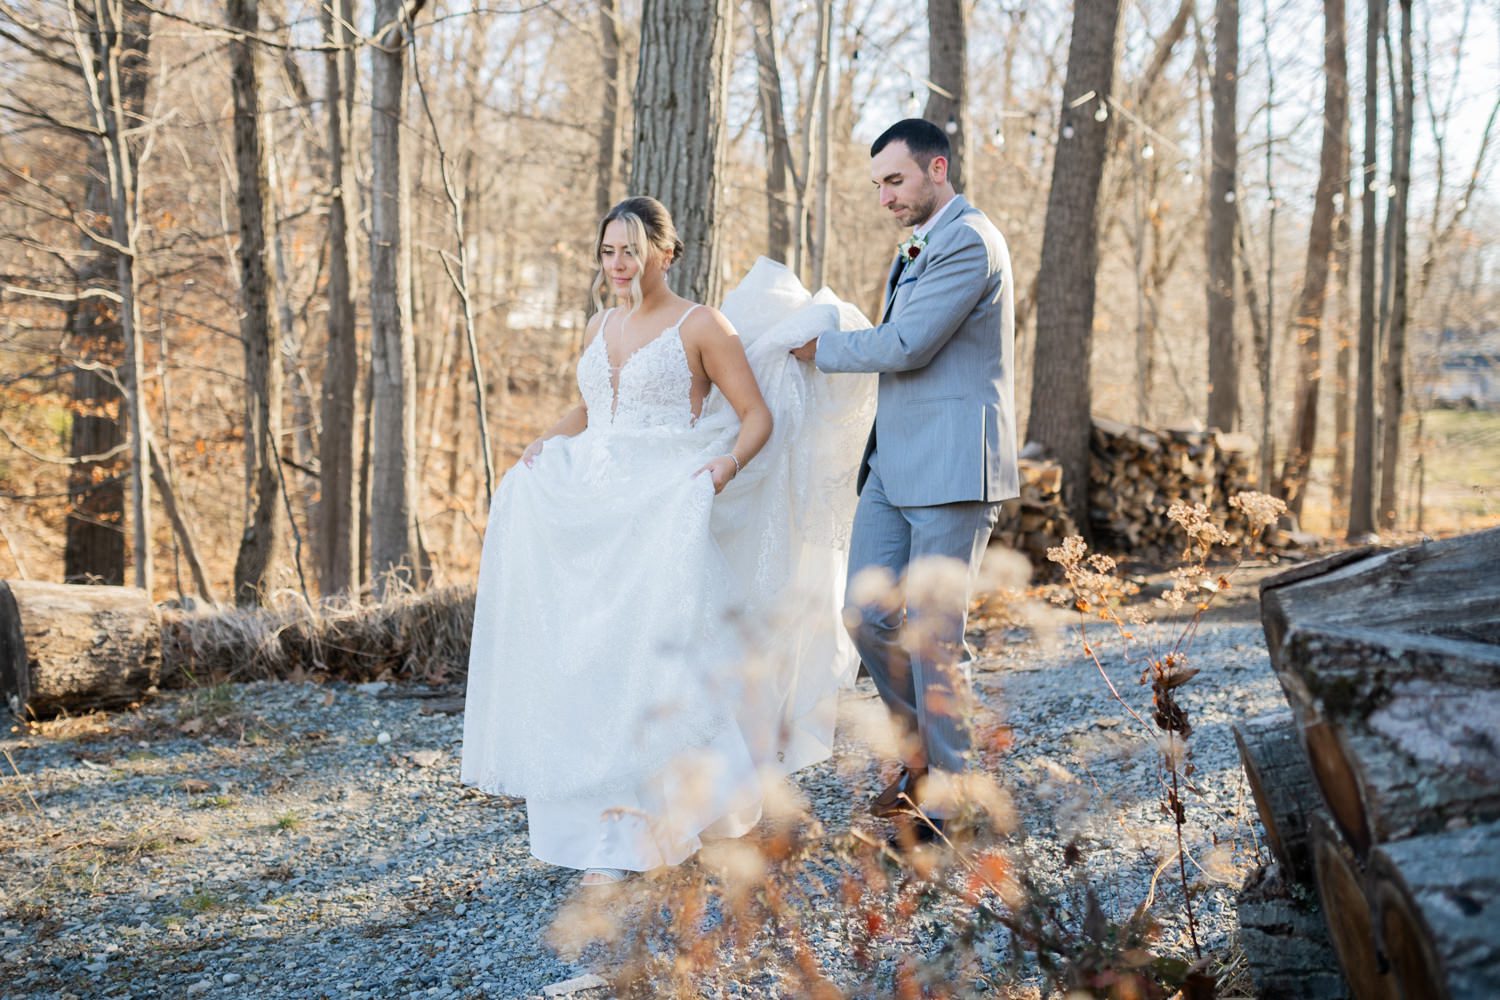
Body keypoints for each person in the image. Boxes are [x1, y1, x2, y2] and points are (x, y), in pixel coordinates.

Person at [461, 197, 874, 885]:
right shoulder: (600, 323)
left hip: (660, 501)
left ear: (665, 254)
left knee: (651, 656)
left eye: (630, 250)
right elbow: (594, 408)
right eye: (607, 252)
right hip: (596, 502)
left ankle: (659, 824)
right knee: (587, 656)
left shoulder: (701, 325)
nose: (618, 264)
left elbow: (756, 416)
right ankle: (597, 823)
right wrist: (545, 441)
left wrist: (726, 465)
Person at [792, 118, 1018, 847]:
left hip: (953, 466)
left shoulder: (969, 241)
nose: (885, 198)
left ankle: (953, 803)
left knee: (933, 639)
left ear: (938, 169)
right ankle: (919, 758)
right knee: (865, 616)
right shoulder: (923, 240)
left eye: (896, 180)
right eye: (878, 185)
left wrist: (818, 348)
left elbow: (909, 343)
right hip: (893, 464)